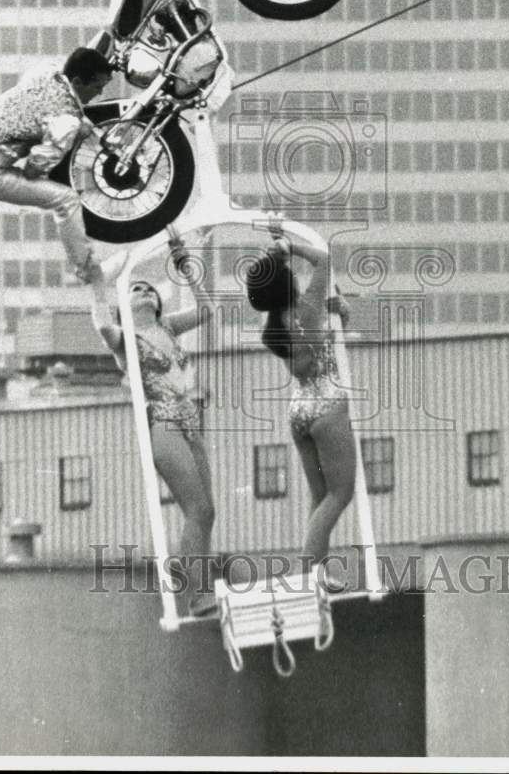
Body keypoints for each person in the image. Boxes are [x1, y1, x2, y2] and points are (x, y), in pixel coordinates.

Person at [86, 236, 218, 615]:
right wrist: (99, 284)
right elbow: (100, 324)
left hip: (189, 419)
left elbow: (207, 310)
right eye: (135, 289)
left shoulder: (169, 328)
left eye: (148, 288)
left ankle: (201, 592)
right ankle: (190, 596)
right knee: (196, 508)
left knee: (207, 511)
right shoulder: (125, 338)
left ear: (158, 302)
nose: (143, 291)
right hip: (160, 420)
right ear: (124, 305)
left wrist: (185, 263)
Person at [245, 224, 355, 586]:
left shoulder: (273, 326)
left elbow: (319, 331)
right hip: (327, 402)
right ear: (289, 281)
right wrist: (290, 246)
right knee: (340, 494)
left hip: (299, 409)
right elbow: (324, 259)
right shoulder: (307, 310)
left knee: (320, 495)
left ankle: (314, 569)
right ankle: (310, 571)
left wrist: (339, 311)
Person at [0, 47, 113, 283]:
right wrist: (70, 137)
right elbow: (33, 169)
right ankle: (88, 271)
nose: (99, 94)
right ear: (77, 81)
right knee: (66, 200)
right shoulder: (65, 121)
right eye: (97, 87)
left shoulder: (47, 71)